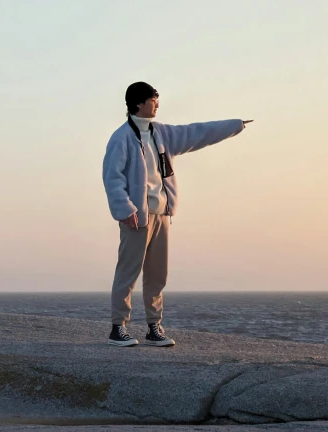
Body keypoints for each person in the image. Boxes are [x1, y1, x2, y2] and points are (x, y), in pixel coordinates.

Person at [102, 81, 253, 347]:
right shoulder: (121, 138)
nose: (157, 104)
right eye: (153, 99)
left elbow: (197, 133)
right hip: (137, 217)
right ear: (139, 103)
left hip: (161, 214)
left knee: (158, 275)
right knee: (128, 273)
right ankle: (118, 328)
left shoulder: (161, 134)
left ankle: (153, 327)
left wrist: (235, 125)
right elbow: (112, 178)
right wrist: (125, 210)